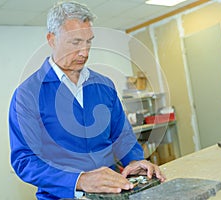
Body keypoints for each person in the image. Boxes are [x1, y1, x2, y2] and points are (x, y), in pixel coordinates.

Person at [9, 1, 166, 199]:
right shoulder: (27, 94)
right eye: (75, 42)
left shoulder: (104, 85)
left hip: (112, 193)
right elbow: (25, 161)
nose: (84, 52)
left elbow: (122, 136)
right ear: (52, 39)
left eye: (88, 41)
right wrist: (79, 180)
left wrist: (134, 161)